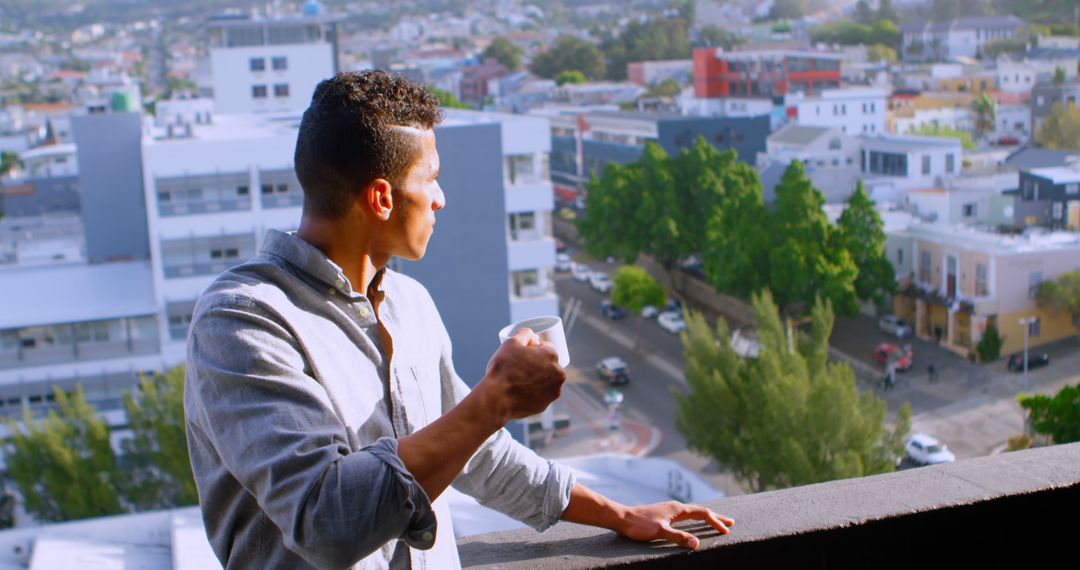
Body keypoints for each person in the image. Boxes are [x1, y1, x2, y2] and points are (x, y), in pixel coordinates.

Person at [184, 70, 733, 570]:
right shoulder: (243, 319)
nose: (441, 200)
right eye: (431, 179)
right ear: (381, 197)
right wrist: (494, 400)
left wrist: (619, 515)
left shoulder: (410, 303)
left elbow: (479, 452)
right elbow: (328, 520)